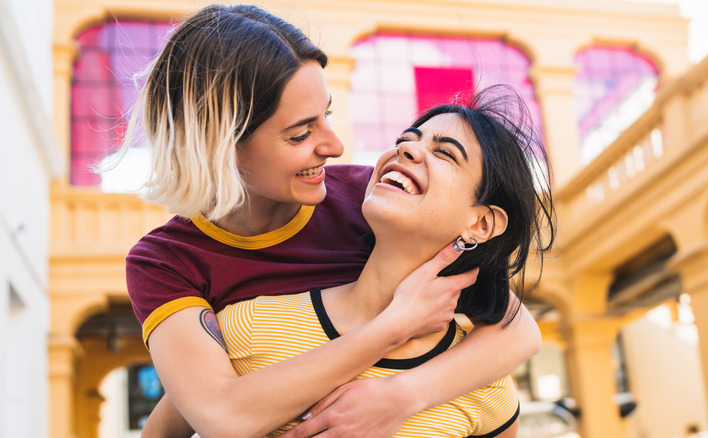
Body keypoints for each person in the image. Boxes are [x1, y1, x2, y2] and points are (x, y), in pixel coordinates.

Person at [119, 4, 545, 438]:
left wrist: (399, 397)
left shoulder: (371, 198)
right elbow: (216, 413)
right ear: (219, 145)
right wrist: (392, 326)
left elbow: (517, 332)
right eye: (300, 133)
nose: (335, 146)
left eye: (328, 113)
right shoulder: (171, 265)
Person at [217, 85, 554, 437]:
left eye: (445, 154)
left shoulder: (487, 389)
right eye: (406, 139)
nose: (406, 148)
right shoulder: (249, 325)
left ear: (481, 224)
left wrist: (402, 396)